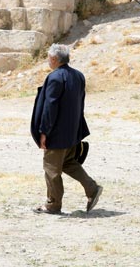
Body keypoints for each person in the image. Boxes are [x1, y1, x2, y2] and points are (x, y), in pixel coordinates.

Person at [31, 44, 102, 214]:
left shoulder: (55, 77)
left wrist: (44, 132)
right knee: (69, 163)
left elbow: (50, 107)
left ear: (54, 59)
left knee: (51, 169)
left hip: (56, 134)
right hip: (72, 132)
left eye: (49, 58)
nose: (48, 61)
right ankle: (92, 189)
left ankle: (53, 204)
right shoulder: (78, 75)